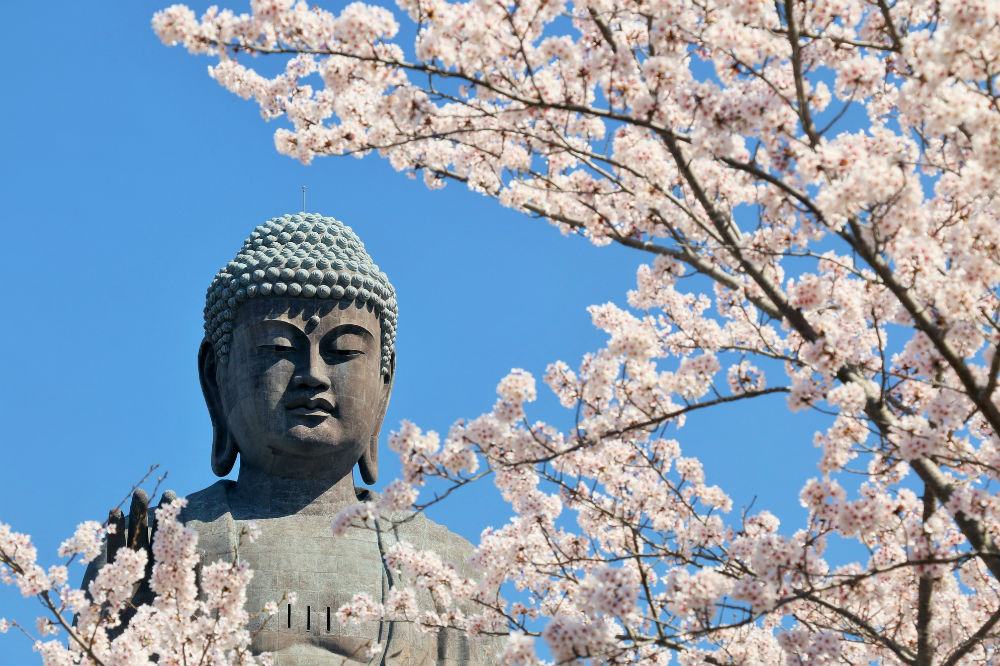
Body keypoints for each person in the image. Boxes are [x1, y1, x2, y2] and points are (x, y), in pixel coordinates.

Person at [85, 213, 499, 665]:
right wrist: (128, 636)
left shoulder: (448, 568)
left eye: (344, 351)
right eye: (278, 349)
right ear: (215, 377)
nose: (312, 375)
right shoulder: (157, 551)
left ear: (385, 384)